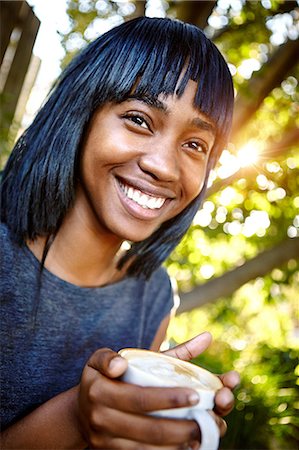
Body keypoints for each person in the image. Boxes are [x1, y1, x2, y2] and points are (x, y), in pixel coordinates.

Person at [0, 16, 240, 449]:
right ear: (81, 112)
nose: (164, 166)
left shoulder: (153, 299)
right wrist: (76, 416)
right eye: (139, 119)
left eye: (194, 145)